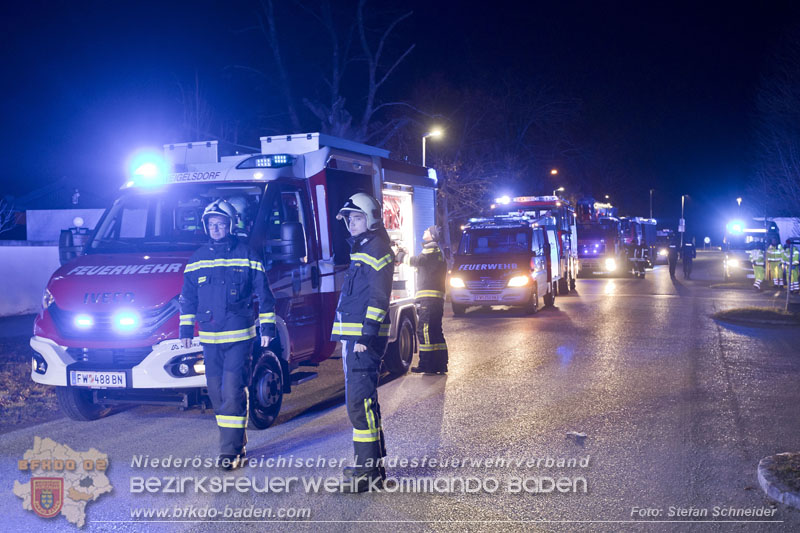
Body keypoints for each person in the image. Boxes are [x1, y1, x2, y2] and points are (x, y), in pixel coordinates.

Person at [179, 199, 276, 470]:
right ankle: (236, 441)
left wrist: (267, 328)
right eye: (211, 224)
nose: (216, 228)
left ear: (231, 226)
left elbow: (264, 295)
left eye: (221, 224)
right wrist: (186, 329)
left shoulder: (247, 254)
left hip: (238, 338)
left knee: (233, 392)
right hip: (209, 340)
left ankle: (230, 452)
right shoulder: (197, 260)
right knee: (216, 394)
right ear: (206, 227)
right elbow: (187, 298)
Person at [330, 193, 393, 492]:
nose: (351, 224)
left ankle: (367, 473)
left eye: (356, 218)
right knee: (364, 402)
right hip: (356, 338)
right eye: (349, 219)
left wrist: (365, 336)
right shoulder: (365, 247)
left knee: (359, 403)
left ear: (370, 218)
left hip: (362, 341)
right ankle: (371, 466)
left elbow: (379, 298)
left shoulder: (377, 249)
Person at [408, 225, 448, 374]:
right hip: (435, 300)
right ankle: (441, 364)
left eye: (426, 231)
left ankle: (427, 364)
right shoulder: (438, 252)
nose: (424, 232)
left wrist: (399, 255)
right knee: (436, 331)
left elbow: (417, 261)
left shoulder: (430, 250)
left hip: (429, 300)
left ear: (432, 236)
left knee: (424, 331)